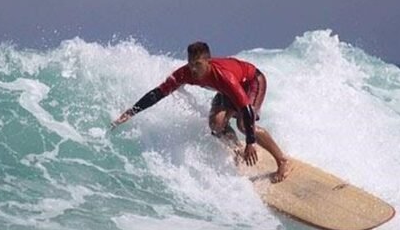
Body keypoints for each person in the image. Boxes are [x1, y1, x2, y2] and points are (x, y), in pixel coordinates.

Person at [111, 41, 289, 182]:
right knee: (216, 124)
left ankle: (282, 161)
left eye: (197, 64)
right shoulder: (184, 74)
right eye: (190, 64)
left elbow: (246, 108)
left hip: (251, 82)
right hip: (227, 91)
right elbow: (158, 93)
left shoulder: (224, 76)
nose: (193, 69)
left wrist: (251, 142)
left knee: (244, 123)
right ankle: (238, 150)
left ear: (208, 62)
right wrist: (132, 111)